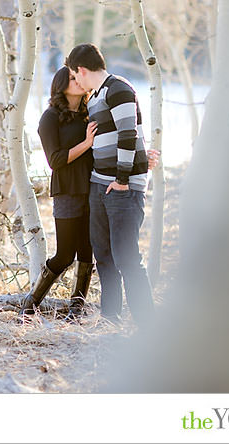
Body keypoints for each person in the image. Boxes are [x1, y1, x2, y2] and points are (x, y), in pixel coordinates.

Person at [65, 43, 160, 327]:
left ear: (81, 69)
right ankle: (110, 319)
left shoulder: (118, 88)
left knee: (127, 258)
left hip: (122, 188)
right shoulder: (95, 98)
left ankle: (147, 326)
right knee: (103, 256)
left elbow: (128, 133)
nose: (76, 81)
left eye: (74, 75)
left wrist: (122, 180)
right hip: (99, 184)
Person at [21, 66, 97, 318]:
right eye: (72, 78)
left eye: (79, 77)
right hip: (67, 190)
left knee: (87, 250)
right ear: (60, 84)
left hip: (92, 187)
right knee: (65, 254)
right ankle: (30, 304)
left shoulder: (90, 112)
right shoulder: (50, 117)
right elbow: (55, 160)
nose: (78, 81)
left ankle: (77, 307)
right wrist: (86, 144)